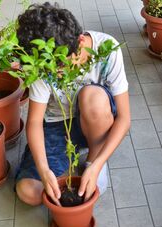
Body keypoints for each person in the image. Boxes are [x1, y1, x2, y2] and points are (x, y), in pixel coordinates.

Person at [14, 2, 130, 206]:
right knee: (29, 193)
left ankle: (92, 160)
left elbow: (124, 118)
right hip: (57, 125)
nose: (57, 73)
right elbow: (34, 122)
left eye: (61, 64)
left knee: (92, 96)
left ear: (81, 41)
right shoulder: (42, 61)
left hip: (95, 120)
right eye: (51, 67)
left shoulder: (107, 49)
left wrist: (97, 165)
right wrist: (43, 169)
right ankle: (68, 162)